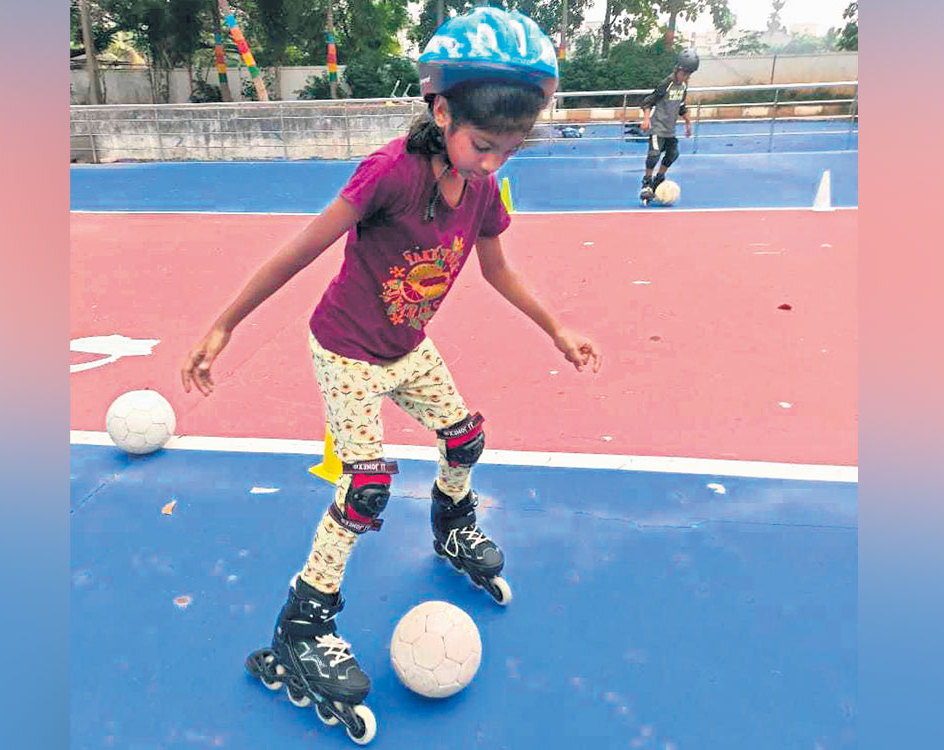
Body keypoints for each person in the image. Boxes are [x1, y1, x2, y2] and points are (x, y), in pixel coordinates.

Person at [179, 7, 602, 743]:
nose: (494, 162)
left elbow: (496, 268)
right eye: (483, 144)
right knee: (367, 480)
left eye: (511, 148)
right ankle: (301, 626)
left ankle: (452, 525)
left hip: (406, 347)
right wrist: (225, 322)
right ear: (441, 111)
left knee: (464, 438)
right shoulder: (389, 174)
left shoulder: (483, 192)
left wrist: (556, 326)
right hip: (345, 348)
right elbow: (302, 249)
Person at [639, 49, 700, 205]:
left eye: (689, 75)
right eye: (685, 73)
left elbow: (681, 106)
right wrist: (646, 120)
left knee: (673, 154)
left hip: (670, 130)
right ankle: (646, 183)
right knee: (654, 154)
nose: (686, 77)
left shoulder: (683, 87)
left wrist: (687, 122)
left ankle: (659, 179)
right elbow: (647, 101)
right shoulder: (666, 84)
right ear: (677, 69)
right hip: (658, 128)